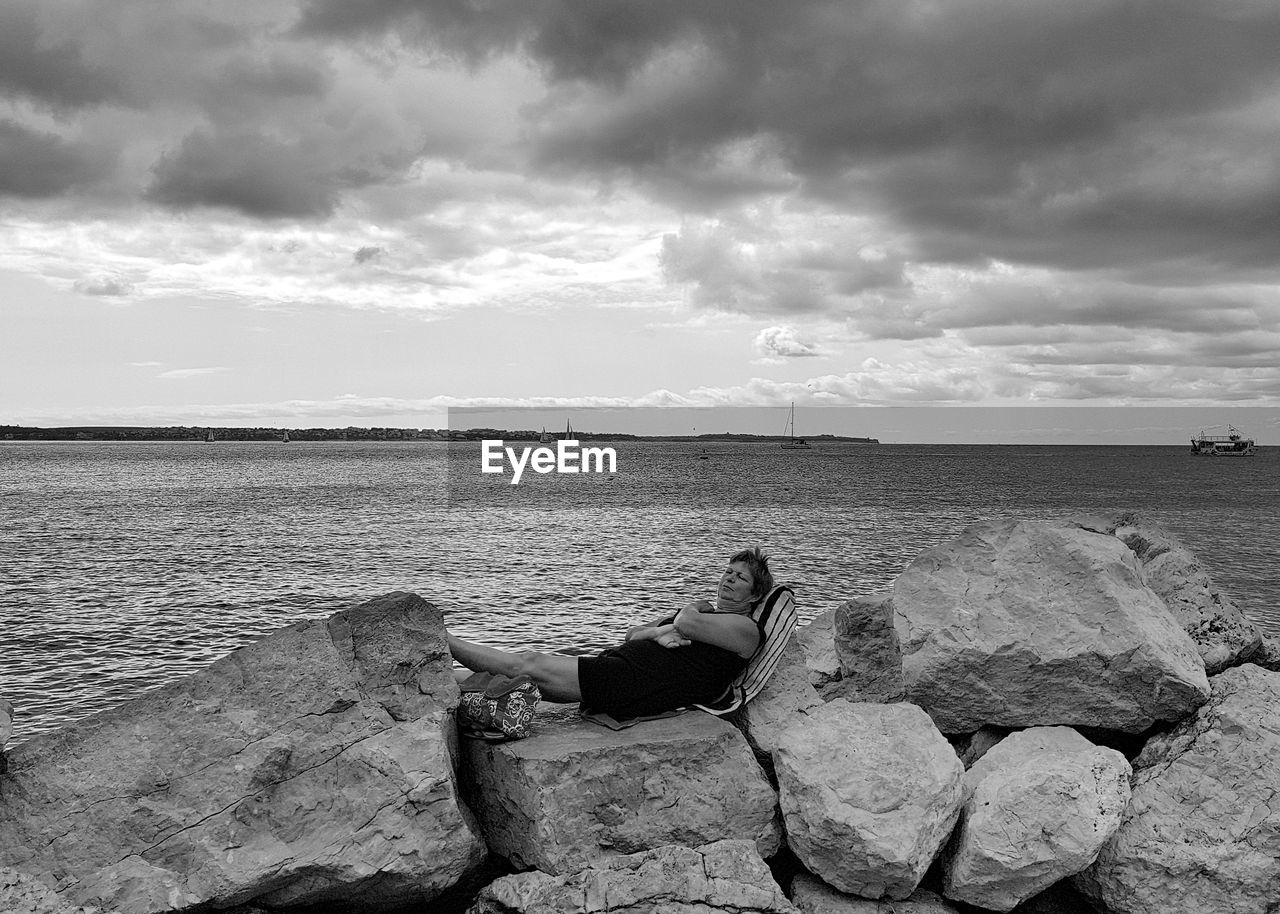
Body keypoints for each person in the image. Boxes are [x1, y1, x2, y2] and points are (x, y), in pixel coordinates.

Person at [446, 547, 775, 720]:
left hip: (636, 684)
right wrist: (658, 634)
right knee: (522, 683)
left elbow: (687, 624)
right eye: (728, 572)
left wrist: (690, 610)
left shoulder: (745, 630)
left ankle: (443, 640)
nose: (729, 580)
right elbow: (633, 634)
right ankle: (443, 678)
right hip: (622, 668)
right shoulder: (706, 618)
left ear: (756, 596)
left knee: (529, 664)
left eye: (740, 578)